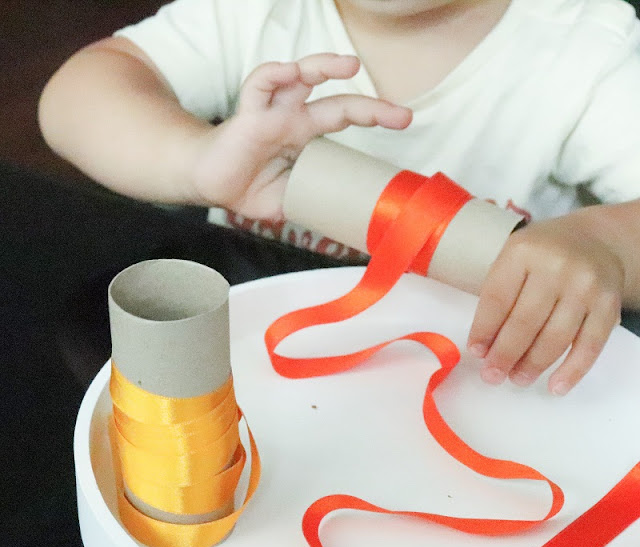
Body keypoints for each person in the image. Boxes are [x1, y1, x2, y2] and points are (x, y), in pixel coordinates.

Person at [38, 0, 640, 396]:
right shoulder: (256, 14)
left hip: (471, 375)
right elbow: (81, 90)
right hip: (255, 362)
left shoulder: (585, 49)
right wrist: (194, 158)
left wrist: (601, 244)